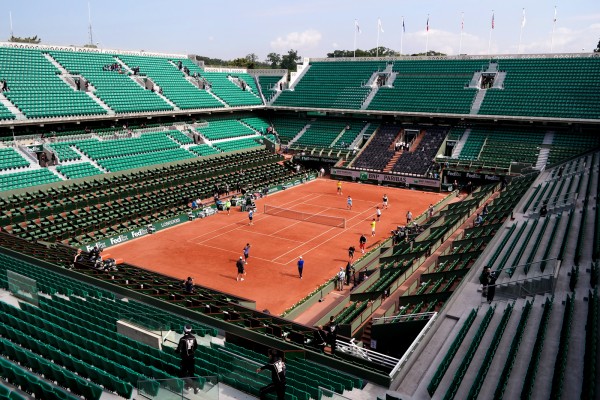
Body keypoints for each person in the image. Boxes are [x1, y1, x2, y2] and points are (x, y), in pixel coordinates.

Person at [176, 325, 199, 394]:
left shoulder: (182, 339)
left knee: (183, 374)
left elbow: (178, 350)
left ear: (184, 330)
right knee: (191, 373)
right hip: (192, 358)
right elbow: (195, 347)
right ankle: (189, 385)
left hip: (185, 359)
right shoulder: (194, 338)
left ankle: (195, 387)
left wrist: (176, 351)